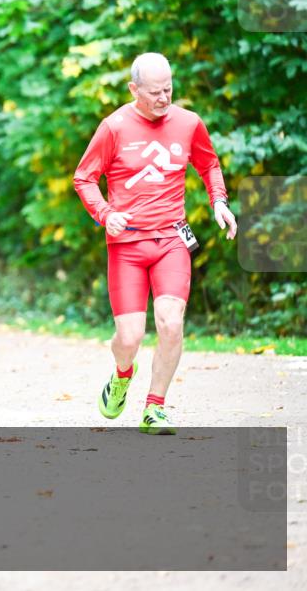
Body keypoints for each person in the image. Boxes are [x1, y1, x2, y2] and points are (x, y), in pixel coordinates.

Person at [73, 52, 237, 435]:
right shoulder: (114, 127)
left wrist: (219, 202)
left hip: (171, 241)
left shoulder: (188, 123)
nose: (164, 98)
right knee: (129, 338)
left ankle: (155, 407)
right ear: (134, 90)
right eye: (155, 92)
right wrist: (105, 213)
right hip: (127, 246)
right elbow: (84, 177)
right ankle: (121, 375)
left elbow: (209, 164)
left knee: (170, 324)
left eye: (168, 89)